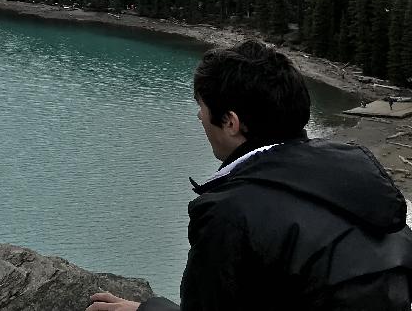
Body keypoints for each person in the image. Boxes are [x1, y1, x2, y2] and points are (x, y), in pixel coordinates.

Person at [88, 40, 412, 311]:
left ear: (231, 122)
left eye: (201, 106)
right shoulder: (357, 174)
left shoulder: (230, 211)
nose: (198, 116)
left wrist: (149, 308)